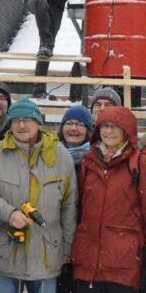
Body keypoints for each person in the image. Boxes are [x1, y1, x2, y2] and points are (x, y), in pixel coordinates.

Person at [0, 97, 77, 293]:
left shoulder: (60, 156)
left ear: (38, 122)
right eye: (15, 120)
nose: (21, 125)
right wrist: (9, 214)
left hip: (46, 255)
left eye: (27, 120)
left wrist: (67, 248)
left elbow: (69, 206)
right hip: (6, 252)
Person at [72, 106, 146, 293]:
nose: (108, 131)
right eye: (104, 126)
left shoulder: (139, 163)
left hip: (123, 265)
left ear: (127, 131)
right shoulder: (88, 162)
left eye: (115, 127)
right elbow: (80, 209)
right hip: (88, 263)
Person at [54, 105, 93, 293]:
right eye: (69, 123)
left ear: (88, 130)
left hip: (85, 235)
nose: (74, 128)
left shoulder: (96, 159)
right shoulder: (50, 155)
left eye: (79, 124)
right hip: (55, 235)